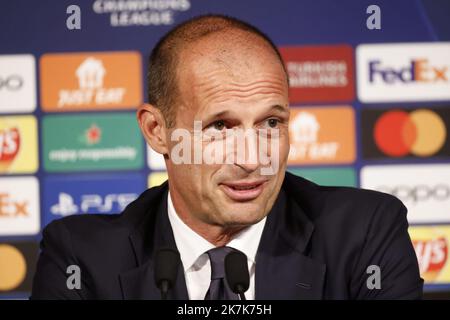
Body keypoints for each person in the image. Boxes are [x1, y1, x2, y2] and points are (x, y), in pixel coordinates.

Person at [31, 14, 423, 300]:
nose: (253, 159)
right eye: (220, 126)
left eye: (271, 122)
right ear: (157, 131)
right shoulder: (81, 257)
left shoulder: (364, 232)